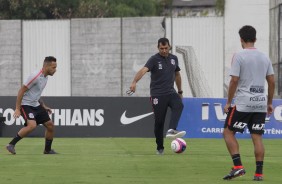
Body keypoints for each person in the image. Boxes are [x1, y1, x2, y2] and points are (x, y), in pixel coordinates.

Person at [223, 25, 275, 181]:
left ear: (241, 39)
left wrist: (228, 102)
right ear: (255, 39)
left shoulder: (239, 56)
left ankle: (238, 166)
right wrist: (269, 103)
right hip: (260, 103)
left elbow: (234, 80)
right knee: (257, 137)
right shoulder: (265, 57)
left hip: (243, 103)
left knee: (227, 132)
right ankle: (259, 174)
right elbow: (271, 81)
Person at [128, 38, 186, 155]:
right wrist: (134, 82)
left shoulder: (174, 59)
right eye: (161, 48)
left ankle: (171, 129)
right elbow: (143, 70)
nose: (164, 51)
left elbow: (177, 75)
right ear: (158, 48)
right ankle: (160, 147)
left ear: (169, 47)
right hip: (158, 95)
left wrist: (180, 91)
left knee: (179, 105)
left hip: (171, 92)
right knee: (159, 123)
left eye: (166, 48)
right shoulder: (154, 59)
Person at [6, 56, 58, 155]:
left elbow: (36, 94)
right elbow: (21, 90)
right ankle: (11, 145)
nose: (55, 70)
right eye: (53, 67)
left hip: (35, 104)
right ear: (46, 66)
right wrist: (17, 109)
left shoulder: (45, 78)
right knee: (32, 125)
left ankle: (47, 150)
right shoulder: (35, 76)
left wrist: (44, 105)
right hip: (25, 105)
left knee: (50, 125)